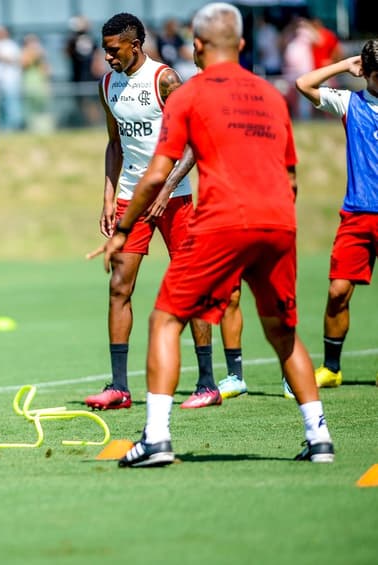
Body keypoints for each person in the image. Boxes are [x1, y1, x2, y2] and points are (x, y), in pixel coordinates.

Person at [90, 2, 334, 467]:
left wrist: (123, 227)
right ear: (242, 45)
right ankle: (319, 436)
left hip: (220, 217)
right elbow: (293, 176)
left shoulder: (186, 92)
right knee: (284, 332)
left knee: (166, 318)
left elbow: (165, 164)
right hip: (278, 219)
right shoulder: (270, 94)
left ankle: (158, 437)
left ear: (197, 46)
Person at [84, 12, 222, 412]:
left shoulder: (165, 80)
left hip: (175, 198)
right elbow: (115, 144)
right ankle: (120, 387)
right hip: (131, 196)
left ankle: (208, 383)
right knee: (118, 286)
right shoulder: (107, 84)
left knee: (191, 284)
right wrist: (109, 198)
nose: (107, 58)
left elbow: (196, 141)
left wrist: (168, 185)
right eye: (104, 50)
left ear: (135, 45)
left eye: (113, 51)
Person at [295, 39, 378, 389]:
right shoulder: (350, 102)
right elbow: (303, 84)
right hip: (357, 215)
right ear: (369, 74)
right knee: (337, 292)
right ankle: (331, 368)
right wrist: (345, 64)